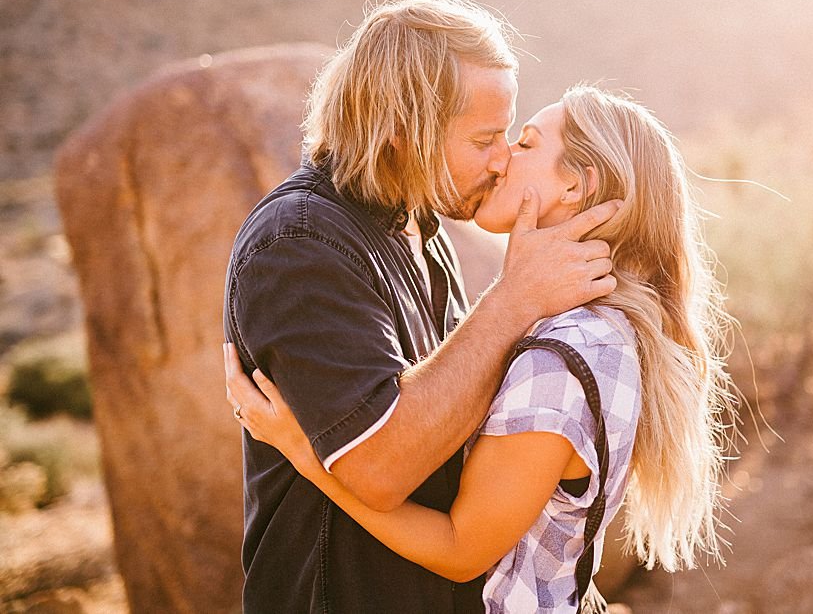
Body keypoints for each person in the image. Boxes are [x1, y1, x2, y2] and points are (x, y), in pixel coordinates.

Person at [226, 86, 733, 612]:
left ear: (577, 185)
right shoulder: (592, 328)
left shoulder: (562, 356)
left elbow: (460, 549)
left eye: (526, 144)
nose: (503, 158)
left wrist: (306, 456)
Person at [221, 0, 620, 613]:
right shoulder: (300, 244)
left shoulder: (421, 234)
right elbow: (380, 469)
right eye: (485, 138)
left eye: (509, 135)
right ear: (404, 132)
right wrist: (513, 300)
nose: (501, 161)